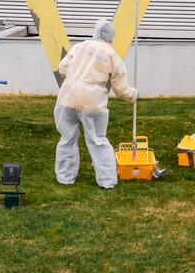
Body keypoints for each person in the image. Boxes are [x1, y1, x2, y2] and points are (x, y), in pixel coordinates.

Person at [54, 18, 138, 188]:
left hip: (67, 97)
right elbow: (121, 88)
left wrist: (76, 77)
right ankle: (107, 181)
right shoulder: (111, 55)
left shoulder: (79, 47)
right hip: (92, 101)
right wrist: (134, 95)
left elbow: (62, 68)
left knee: (67, 138)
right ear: (111, 36)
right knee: (97, 140)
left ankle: (65, 177)